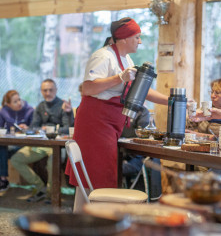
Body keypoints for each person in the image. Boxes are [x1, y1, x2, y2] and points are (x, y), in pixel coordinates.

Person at [65, 17, 168, 212]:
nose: (140, 41)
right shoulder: (103, 56)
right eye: (137, 37)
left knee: (96, 175)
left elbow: (141, 89)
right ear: (124, 38)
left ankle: (82, 220)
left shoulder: (126, 59)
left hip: (110, 124)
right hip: (95, 124)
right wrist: (118, 78)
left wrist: (171, 100)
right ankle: (98, 223)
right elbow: (87, 88)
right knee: (98, 174)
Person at [10, 79, 74, 202]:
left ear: (56, 90)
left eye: (51, 90)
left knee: (52, 163)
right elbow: (34, 126)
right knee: (16, 159)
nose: (48, 93)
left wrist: (67, 114)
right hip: (41, 143)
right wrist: (32, 128)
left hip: (58, 145)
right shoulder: (40, 106)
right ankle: (40, 187)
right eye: (45, 90)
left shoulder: (63, 105)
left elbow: (68, 129)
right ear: (41, 91)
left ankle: (51, 194)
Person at [0, 90, 34, 191]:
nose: (19, 103)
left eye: (19, 99)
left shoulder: (29, 110)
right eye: (15, 102)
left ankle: (3, 180)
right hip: (9, 144)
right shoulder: (3, 111)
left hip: (24, 143)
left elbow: (36, 128)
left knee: (2, 151)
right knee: (1, 148)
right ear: (8, 104)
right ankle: (3, 179)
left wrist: (27, 128)